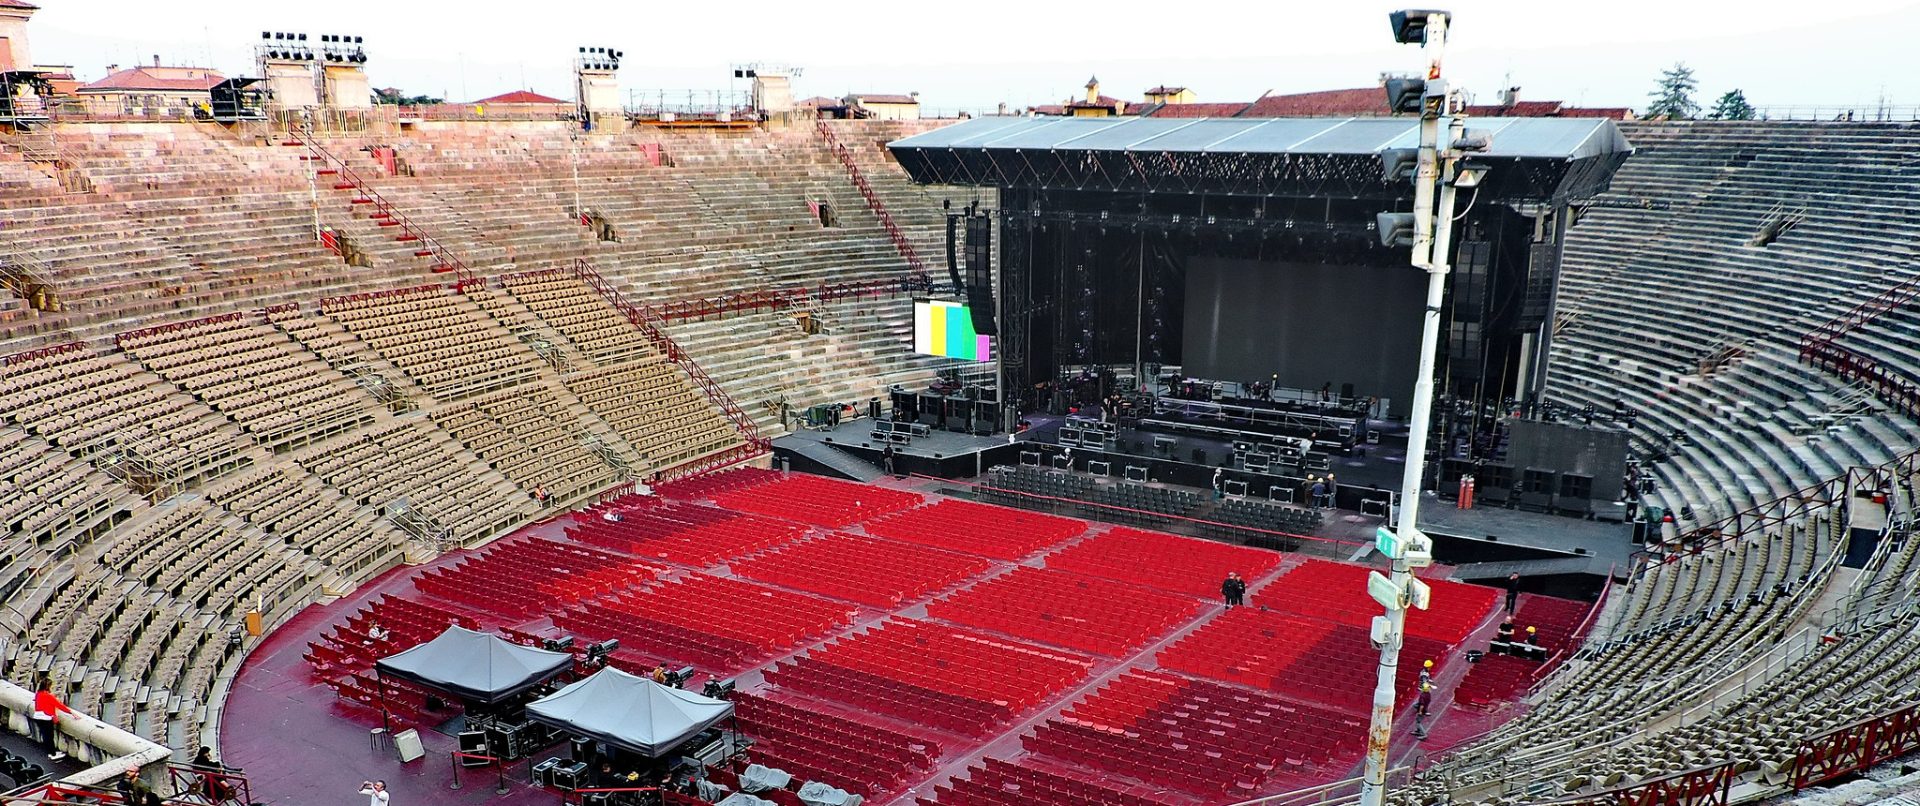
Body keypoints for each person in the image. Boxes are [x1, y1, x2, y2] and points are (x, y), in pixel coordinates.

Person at [31, 675, 72, 760]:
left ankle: (51, 752)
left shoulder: (38, 694)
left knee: (46, 736)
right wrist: (71, 713)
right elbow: (59, 705)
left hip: (38, 717)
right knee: (49, 737)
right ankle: (53, 754)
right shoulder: (48, 696)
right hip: (46, 718)